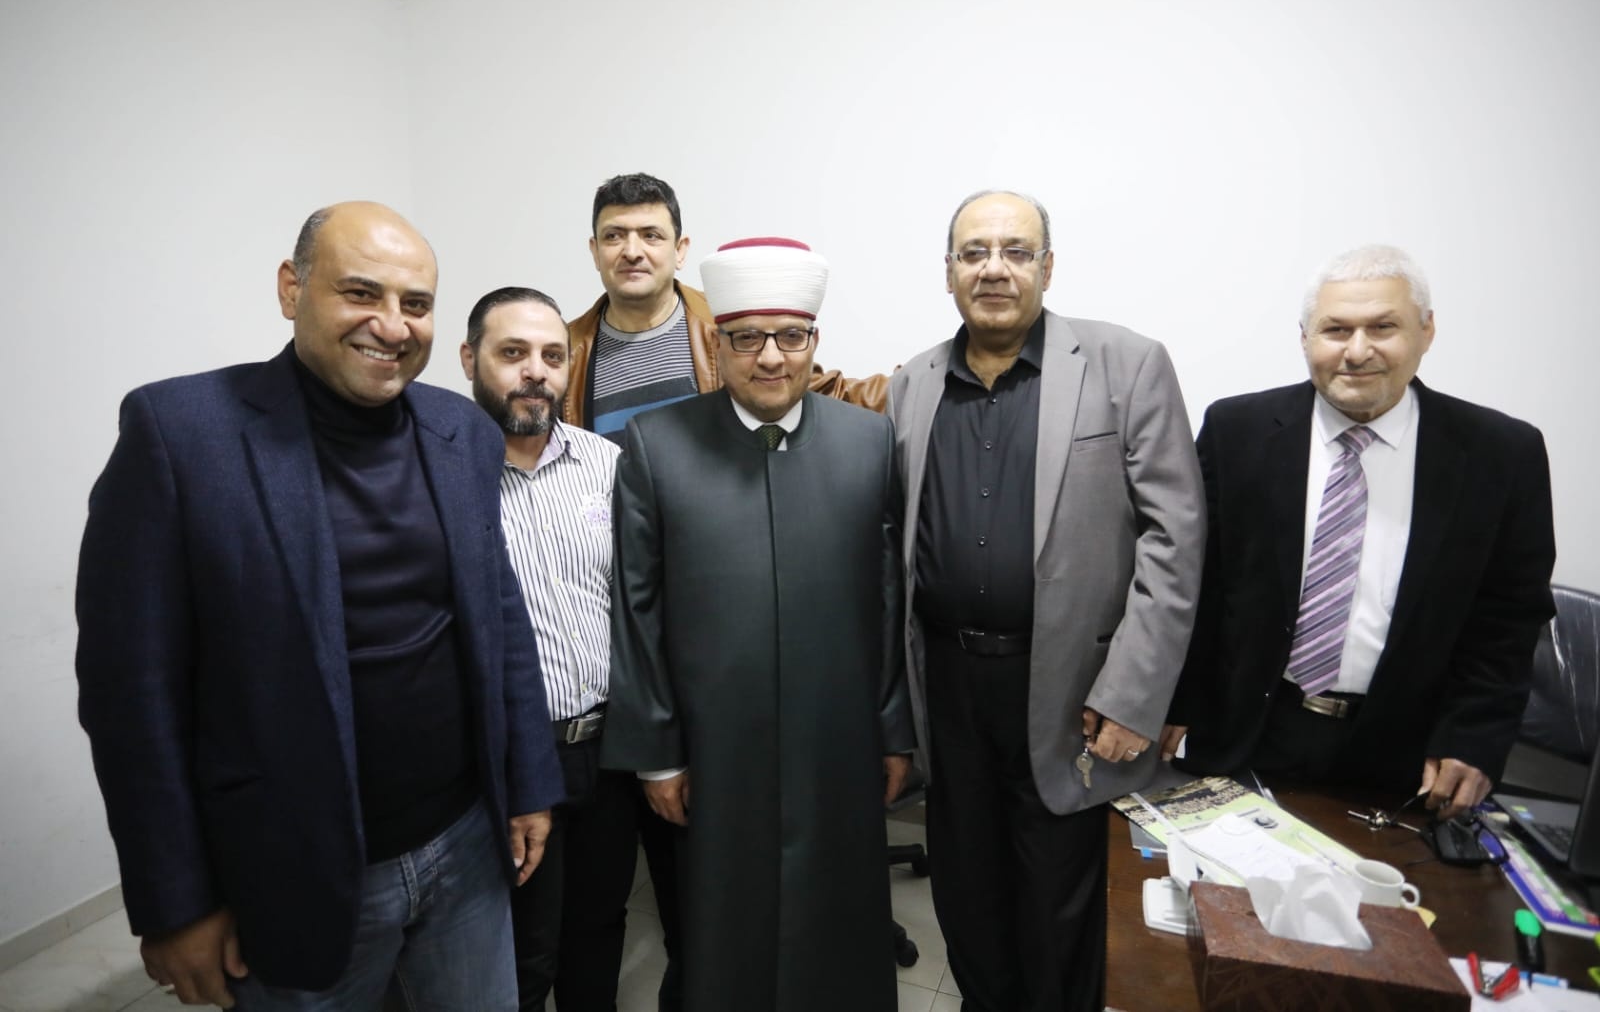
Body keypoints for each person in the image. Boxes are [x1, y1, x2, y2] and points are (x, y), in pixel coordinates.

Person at [75, 202, 564, 1010]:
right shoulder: (181, 435)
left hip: (466, 845)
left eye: (415, 304)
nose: (392, 325)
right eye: (360, 293)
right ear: (291, 288)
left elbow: (500, 616)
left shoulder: (462, 431)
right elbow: (131, 695)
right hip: (291, 868)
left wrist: (529, 781)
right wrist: (176, 900)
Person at [888, 190, 1205, 1012]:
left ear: (1048, 267)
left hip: (1070, 693)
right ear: (949, 271)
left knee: (1057, 903)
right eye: (974, 252)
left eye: (1016, 251)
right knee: (966, 890)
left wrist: (1133, 693)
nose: (993, 269)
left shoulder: (1126, 364)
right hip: (948, 688)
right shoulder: (912, 384)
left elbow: (1175, 538)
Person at [602, 237, 914, 1012]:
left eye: (791, 336)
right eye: (747, 338)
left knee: (839, 924)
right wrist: (657, 756)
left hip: (839, 744)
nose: (771, 357)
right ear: (718, 343)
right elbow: (636, 607)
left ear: (814, 340)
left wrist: (894, 732)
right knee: (723, 932)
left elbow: (889, 601)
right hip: (714, 750)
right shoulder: (656, 444)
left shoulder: (869, 441)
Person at [1162, 244, 1557, 819]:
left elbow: (1509, 618)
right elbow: (1199, 582)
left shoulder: (1502, 455)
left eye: (1383, 327)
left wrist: (1473, 738)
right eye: (1336, 329)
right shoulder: (1236, 431)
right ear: (1305, 338)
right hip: (1248, 735)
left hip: (1406, 756)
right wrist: (1177, 702)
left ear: (1426, 331)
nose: (1357, 350)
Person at [460, 287, 636, 1011]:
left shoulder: (607, 464)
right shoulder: (444, 475)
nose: (536, 371)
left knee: (600, 924)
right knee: (525, 950)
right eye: (513, 353)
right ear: (469, 360)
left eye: (552, 355)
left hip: (610, 748)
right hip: (511, 758)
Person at [564, 172, 888, 438]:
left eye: (651, 235)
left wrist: (917, 382)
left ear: (680, 250)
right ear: (595, 251)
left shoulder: (730, 328)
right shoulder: (562, 353)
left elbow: (830, 393)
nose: (632, 252)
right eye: (614, 236)